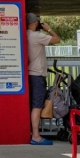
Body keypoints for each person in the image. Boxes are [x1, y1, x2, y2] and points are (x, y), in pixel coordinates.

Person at [26, 12, 60, 145]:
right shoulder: (37, 36)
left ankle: (31, 132)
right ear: (35, 23)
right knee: (37, 106)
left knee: (32, 105)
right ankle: (36, 136)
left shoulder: (25, 35)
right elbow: (57, 39)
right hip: (37, 75)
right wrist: (49, 29)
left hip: (29, 74)